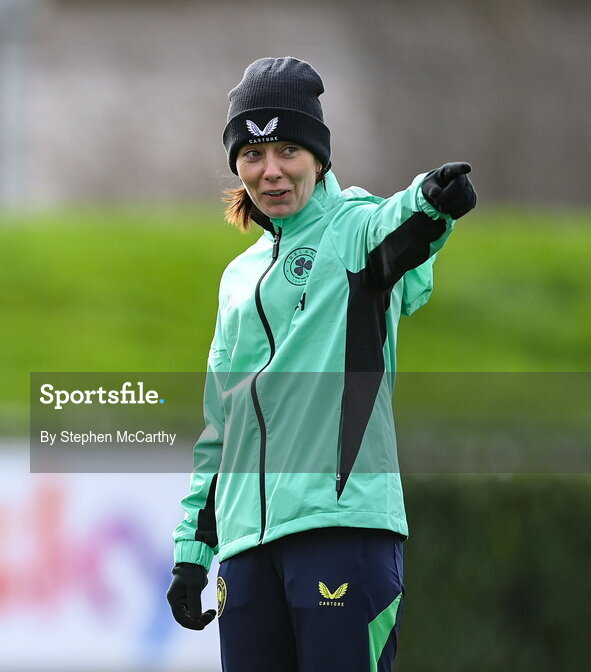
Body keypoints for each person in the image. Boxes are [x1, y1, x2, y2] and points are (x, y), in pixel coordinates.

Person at [167, 57, 477, 671]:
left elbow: (404, 224)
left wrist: (432, 199)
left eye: (288, 149)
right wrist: (192, 553)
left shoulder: (354, 232)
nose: (271, 170)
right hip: (247, 551)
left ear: (320, 156)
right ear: (235, 164)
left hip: (343, 533)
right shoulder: (237, 278)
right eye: (253, 154)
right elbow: (220, 428)